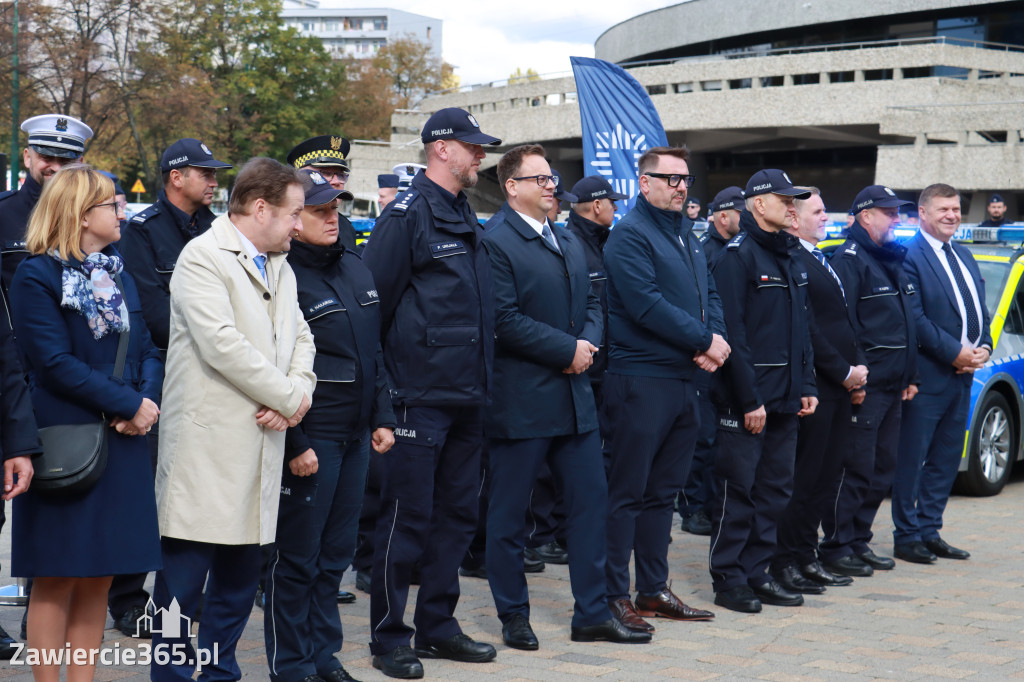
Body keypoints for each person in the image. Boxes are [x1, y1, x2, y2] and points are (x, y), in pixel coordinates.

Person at [151, 158, 316, 682]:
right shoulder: (202, 258)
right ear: (260, 208)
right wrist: (289, 397)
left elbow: (304, 338)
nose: (298, 225)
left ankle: (221, 672)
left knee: (240, 583)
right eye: (293, 214)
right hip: (208, 452)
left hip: (259, 449)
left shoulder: (282, 265)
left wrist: (298, 393)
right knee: (181, 586)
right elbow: (223, 345)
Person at [482, 144, 649, 649]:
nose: (551, 185)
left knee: (590, 507)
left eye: (552, 177)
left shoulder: (566, 237)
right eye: (539, 179)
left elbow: (594, 301)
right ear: (512, 186)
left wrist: (588, 344)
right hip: (523, 400)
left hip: (575, 399)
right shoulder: (494, 241)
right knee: (510, 516)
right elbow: (504, 320)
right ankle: (514, 615)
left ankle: (592, 613)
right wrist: (566, 350)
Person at [361, 108, 500, 679]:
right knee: (407, 520)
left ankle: (439, 627)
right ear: (442, 149)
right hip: (418, 396)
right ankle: (390, 637)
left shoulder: (464, 214)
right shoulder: (407, 216)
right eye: (472, 147)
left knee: (456, 518)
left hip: (468, 396)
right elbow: (372, 312)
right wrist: (385, 398)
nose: (480, 156)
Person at [10, 164, 162, 682]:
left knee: (99, 576)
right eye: (112, 205)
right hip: (67, 437)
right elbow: (52, 363)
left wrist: (145, 402)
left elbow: (146, 347)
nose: (122, 212)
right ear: (80, 214)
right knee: (55, 576)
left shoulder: (115, 266)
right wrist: (128, 405)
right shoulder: (37, 274)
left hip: (123, 436)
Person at [264, 168, 396, 682]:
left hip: (356, 435)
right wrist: (295, 440)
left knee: (334, 556)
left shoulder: (356, 268)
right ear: (294, 220)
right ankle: (292, 664)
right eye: (319, 210)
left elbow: (375, 352)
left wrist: (382, 415)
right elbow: (272, 369)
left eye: (335, 208)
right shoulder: (281, 276)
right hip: (310, 435)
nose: (331, 218)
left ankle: (324, 654)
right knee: (296, 558)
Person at [112, 138, 232, 637]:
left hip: (213, 377)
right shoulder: (142, 233)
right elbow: (154, 314)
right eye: (204, 173)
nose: (213, 180)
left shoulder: (217, 229)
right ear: (175, 177)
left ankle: (182, 592)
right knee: (147, 491)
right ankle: (125, 599)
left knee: (194, 487)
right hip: (163, 375)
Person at [602, 146, 724, 632]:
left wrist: (713, 340)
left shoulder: (688, 237)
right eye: (669, 178)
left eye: (685, 179)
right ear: (643, 182)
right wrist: (703, 340)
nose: (679, 186)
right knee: (626, 494)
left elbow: (708, 295)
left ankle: (652, 589)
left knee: (662, 495)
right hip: (640, 379)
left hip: (682, 379)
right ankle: (614, 595)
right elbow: (644, 305)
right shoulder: (628, 235)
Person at [709, 169, 817, 614]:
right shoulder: (738, 257)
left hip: (787, 399)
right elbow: (733, 335)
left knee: (775, 492)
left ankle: (758, 571)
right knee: (739, 493)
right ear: (757, 204)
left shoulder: (790, 255)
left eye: (795, 200)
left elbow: (801, 331)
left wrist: (807, 384)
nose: (792, 206)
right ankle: (729, 579)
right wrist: (748, 398)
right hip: (749, 403)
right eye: (783, 199)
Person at [770, 187, 866, 594]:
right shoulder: (795, 259)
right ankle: (785, 559)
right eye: (819, 211)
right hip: (818, 386)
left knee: (827, 477)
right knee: (804, 478)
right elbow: (809, 329)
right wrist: (843, 371)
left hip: (841, 387)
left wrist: (858, 371)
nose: (827, 217)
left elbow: (846, 320)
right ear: (794, 218)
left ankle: (807, 555)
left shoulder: (820, 258)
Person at [820, 185, 918, 578]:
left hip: (894, 386)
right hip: (866, 388)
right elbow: (845, 327)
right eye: (889, 212)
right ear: (865, 215)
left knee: (882, 469)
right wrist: (854, 380)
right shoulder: (849, 260)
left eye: (898, 212)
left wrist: (910, 376)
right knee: (855, 469)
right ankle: (838, 544)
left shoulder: (887, 259)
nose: (897, 219)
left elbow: (904, 325)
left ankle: (858, 540)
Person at [893, 183, 990, 563]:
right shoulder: (909, 255)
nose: (952, 215)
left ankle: (930, 529)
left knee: (947, 456)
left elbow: (978, 309)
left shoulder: (964, 254)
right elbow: (914, 318)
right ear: (923, 213)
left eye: (956, 209)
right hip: (929, 373)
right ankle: (906, 536)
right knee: (913, 456)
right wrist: (954, 353)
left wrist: (984, 345)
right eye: (943, 209)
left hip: (964, 374)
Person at [681, 185, 746, 536]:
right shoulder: (705, 250)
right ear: (723, 216)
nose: (745, 218)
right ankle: (693, 507)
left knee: (716, 437)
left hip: (724, 357)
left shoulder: (734, 250)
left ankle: (706, 502)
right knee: (702, 437)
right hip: (704, 358)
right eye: (740, 212)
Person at [0, 115, 93, 292]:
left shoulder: (93, 215)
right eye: (46, 157)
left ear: (80, 164)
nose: (56, 168)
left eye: (66, 161)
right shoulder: (2, 213)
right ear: (28, 158)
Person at [287, 136, 358, 251]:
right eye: (325, 173)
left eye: (340, 175)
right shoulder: (281, 228)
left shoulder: (345, 227)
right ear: (299, 176)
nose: (336, 181)